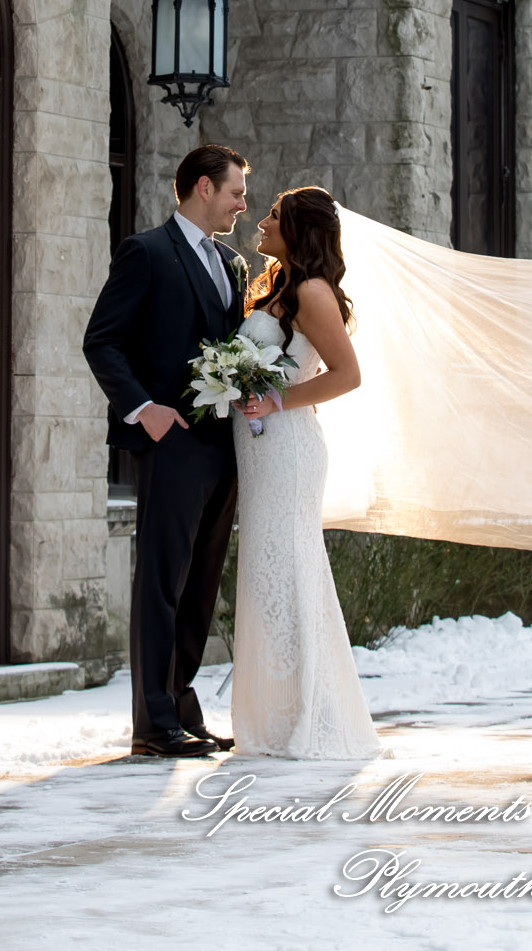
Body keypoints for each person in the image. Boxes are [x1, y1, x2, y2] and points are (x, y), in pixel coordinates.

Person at [84, 145, 250, 758]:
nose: (241, 204)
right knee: (160, 583)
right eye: (235, 192)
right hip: (170, 445)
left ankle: (182, 707)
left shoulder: (232, 266)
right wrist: (144, 410)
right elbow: (102, 342)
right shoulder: (146, 252)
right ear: (202, 187)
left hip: (222, 447)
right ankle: (152, 725)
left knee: (200, 584)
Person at [231, 187, 383, 760]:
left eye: (274, 216)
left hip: (289, 450)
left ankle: (311, 716)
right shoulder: (276, 288)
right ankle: (277, 714)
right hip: (262, 452)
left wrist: (275, 402)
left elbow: (347, 374)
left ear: (297, 230)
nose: (263, 222)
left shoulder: (313, 292)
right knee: (269, 573)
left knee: (289, 572)